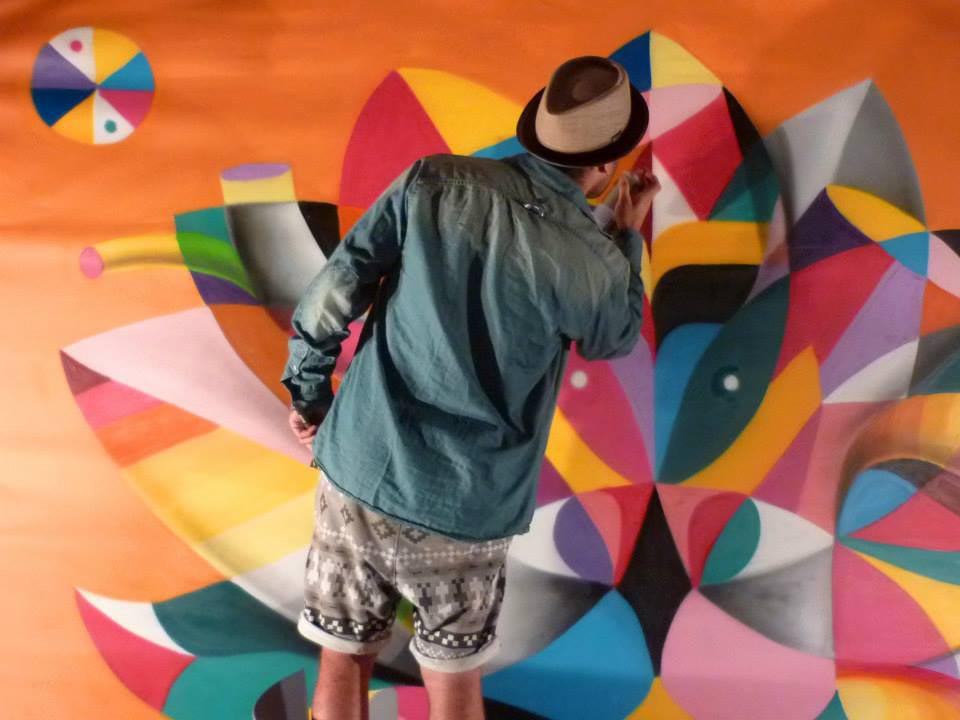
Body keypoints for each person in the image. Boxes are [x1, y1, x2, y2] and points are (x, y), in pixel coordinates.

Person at [281, 55, 660, 720]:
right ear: (607, 164)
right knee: (453, 679)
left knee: (343, 657)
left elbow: (332, 293)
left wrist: (311, 398)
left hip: (363, 467)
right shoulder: (593, 260)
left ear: (538, 131)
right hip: (470, 504)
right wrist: (624, 239)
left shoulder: (432, 181)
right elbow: (613, 337)